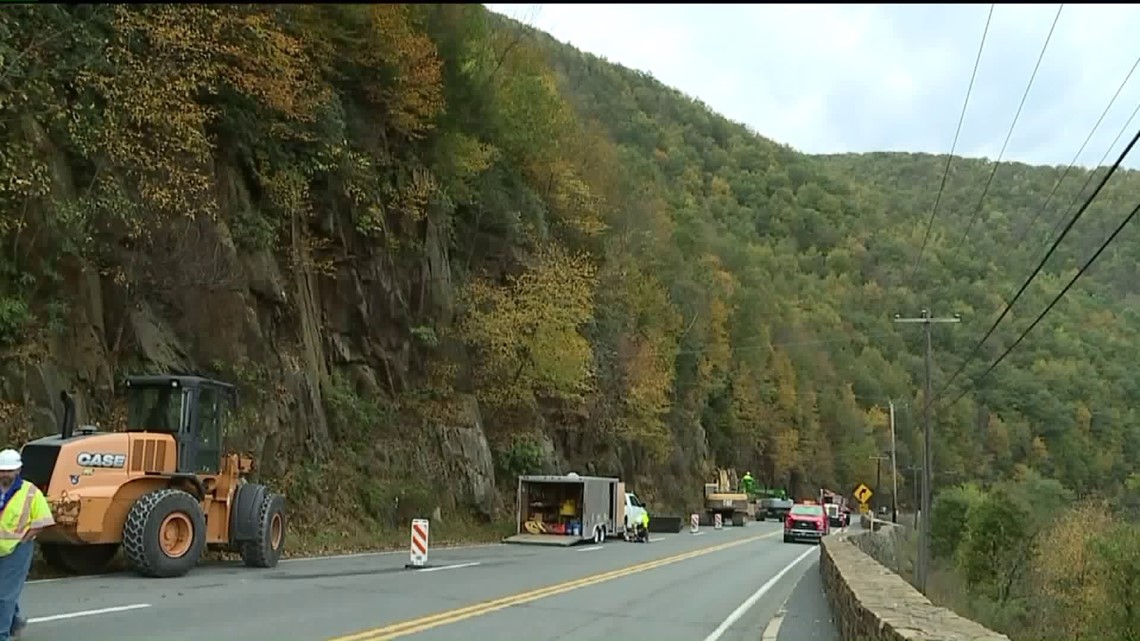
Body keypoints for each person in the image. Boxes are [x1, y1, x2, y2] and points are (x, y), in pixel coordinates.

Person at [0, 449, 54, 641]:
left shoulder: (31, 492)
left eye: (9, 470)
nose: (5, 474)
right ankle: (15, 622)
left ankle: (2, 635)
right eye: (2, 470)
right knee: (4, 593)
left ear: (18, 470)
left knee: (4, 595)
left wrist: (25, 538)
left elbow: (44, 520)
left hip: (17, 550)